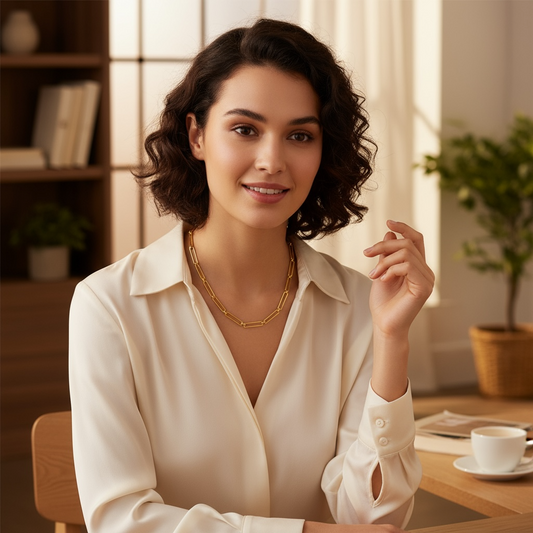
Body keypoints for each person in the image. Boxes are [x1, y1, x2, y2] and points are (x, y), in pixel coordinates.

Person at [69, 18, 434, 533]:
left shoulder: (360, 306)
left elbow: (373, 516)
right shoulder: (108, 305)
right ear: (197, 135)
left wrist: (391, 340)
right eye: (245, 129)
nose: (272, 160)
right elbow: (121, 521)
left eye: (299, 135)